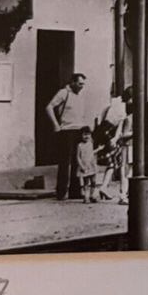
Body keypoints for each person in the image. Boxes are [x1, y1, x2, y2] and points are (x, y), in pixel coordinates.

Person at [45, 72, 91, 200]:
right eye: (80, 84)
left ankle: (75, 191)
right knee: (65, 161)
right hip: (66, 130)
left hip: (79, 130)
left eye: (83, 84)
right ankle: (61, 192)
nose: (82, 87)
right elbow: (49, 107)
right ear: (73, 82)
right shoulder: (63, 93)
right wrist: (55, 124)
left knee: (78, 161)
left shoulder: (79, 96)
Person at [75, 127, 99, 204]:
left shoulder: (91, 143)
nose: (87, 136)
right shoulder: (80, 145)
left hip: (91, 165)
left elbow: (92, 153)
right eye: (85, 134)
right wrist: (81, 166)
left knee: (94, 181)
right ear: (81, 135)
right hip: (84, 166)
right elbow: (78, 157)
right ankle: (86, 197)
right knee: (86, 183)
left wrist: (99, 149)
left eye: (88, 134)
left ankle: (92, 196)